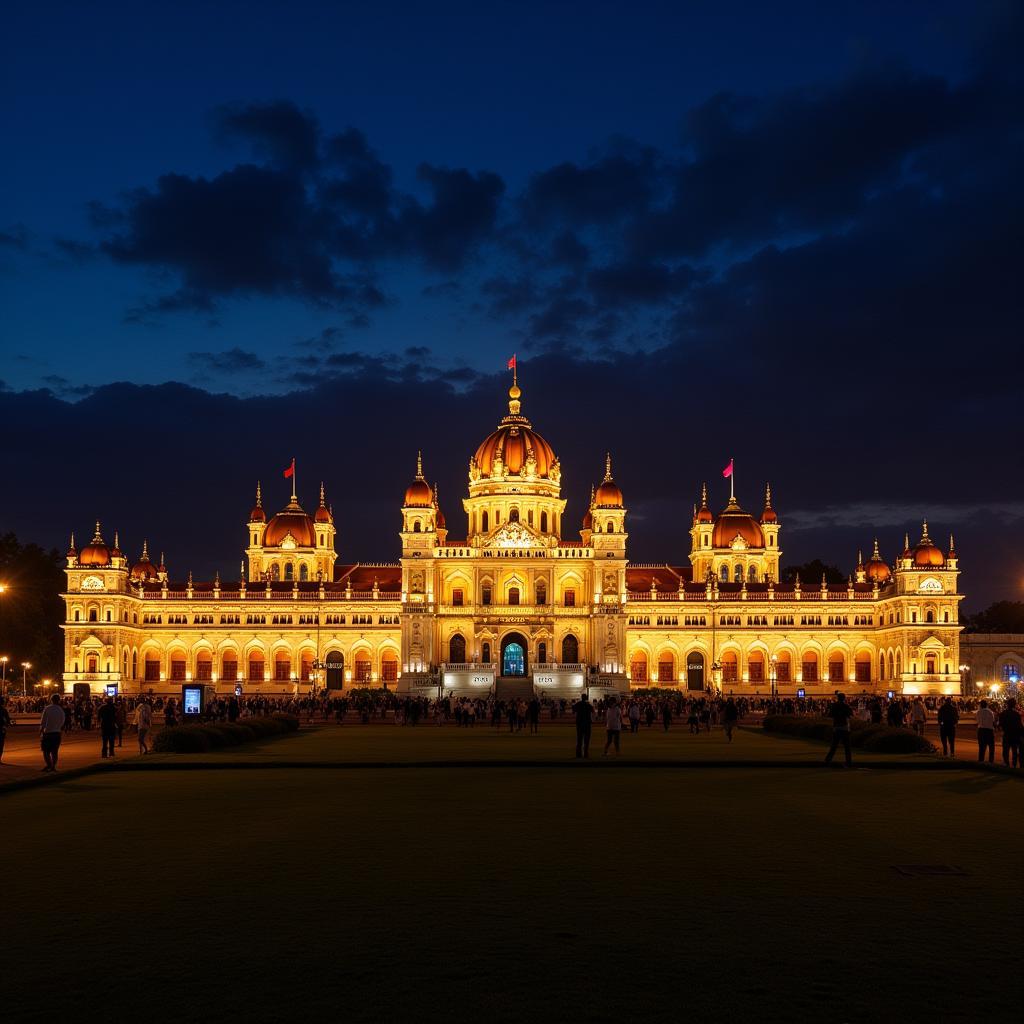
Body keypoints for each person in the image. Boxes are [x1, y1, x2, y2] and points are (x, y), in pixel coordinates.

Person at [824, 692, 854, 767]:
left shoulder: (834, 705)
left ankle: (827, 760)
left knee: (834, 746)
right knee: (847, 747)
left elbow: (830, 715)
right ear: (844, 698)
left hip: (836, 727)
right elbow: (850, 714)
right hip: (845, 727)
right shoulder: (846, 706)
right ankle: (848, 762)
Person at [40, 693, 66, 772]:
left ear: (51, 700)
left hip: (48, 733)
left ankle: (49, 765)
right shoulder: (61, 710)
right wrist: (58, 727)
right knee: (54, 752)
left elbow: (43, 721)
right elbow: (62, 721)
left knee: (46, 751)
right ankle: (53, 766)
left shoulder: (47, 708)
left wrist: (41, 730)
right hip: (57, 733)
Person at [997, 698, 1022, 768]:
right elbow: (1019, 726)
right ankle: (1014, 764)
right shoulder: (1016, 714)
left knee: (1006, 750)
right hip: (1014, 735)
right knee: (1014, 750)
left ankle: (1006, 763)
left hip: (1006, 734)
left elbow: (1000, 724)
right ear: (1014, 705)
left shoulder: (1003, 713)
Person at [574, 694, 593, 759]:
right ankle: (586, 754)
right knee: (586, 740)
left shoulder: (578, 704)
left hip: (579, 724)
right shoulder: (588, 705)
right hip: (587, 724)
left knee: (579, 740)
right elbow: (593, 711)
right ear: (586, 698)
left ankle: (578, 754)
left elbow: (573, 711)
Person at [0, 696, 11, 763]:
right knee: (1, 745)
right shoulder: (3, 710)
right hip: (1, 730)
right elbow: (8, 720)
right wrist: (5, 726)